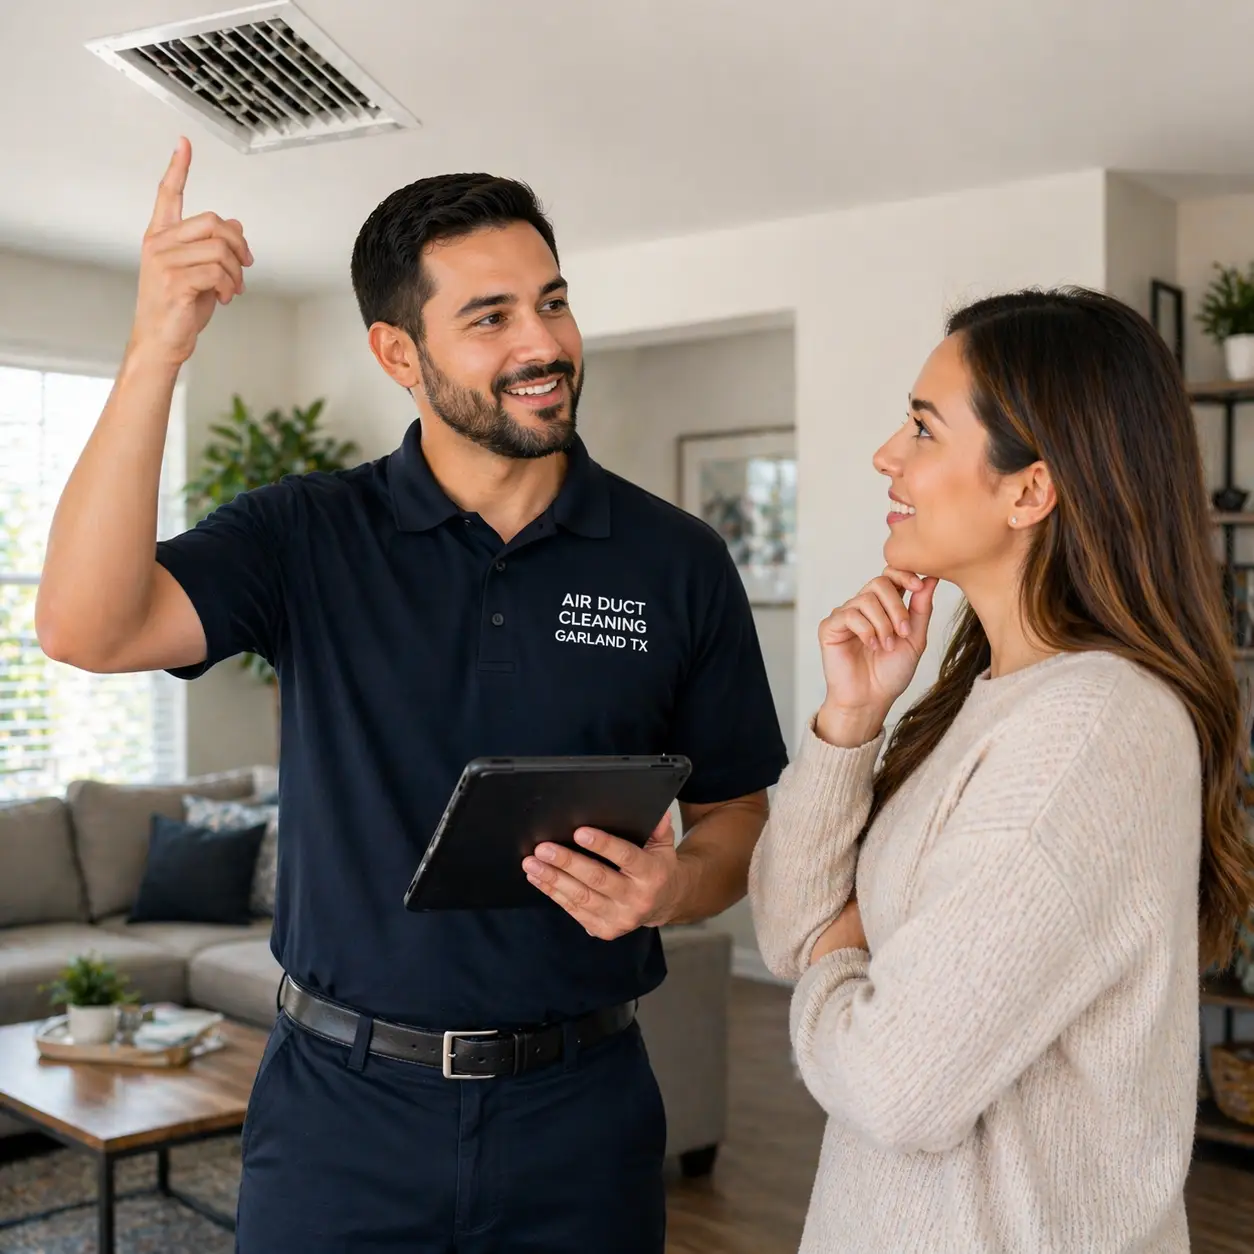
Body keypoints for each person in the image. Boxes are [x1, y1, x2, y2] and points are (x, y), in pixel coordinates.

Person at [37, 137, 787, 1253]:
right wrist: (156, 351)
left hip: (581, 1117)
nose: (543, 344)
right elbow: (84, 627)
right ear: (398, 350)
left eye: (553, 302)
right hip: (342, 1119)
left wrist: (670, 888)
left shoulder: (675, 560)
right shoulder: (304, 533)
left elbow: (736, 822)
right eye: (490, 317)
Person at [749, 288, 1254, 1253]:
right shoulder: (987, 698)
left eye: (923, 429)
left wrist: (836, 956)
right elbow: (785, 925)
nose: (886, 456)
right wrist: (851, 721)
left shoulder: (1089, 732)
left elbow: (898, 1088)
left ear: (1029, 490)